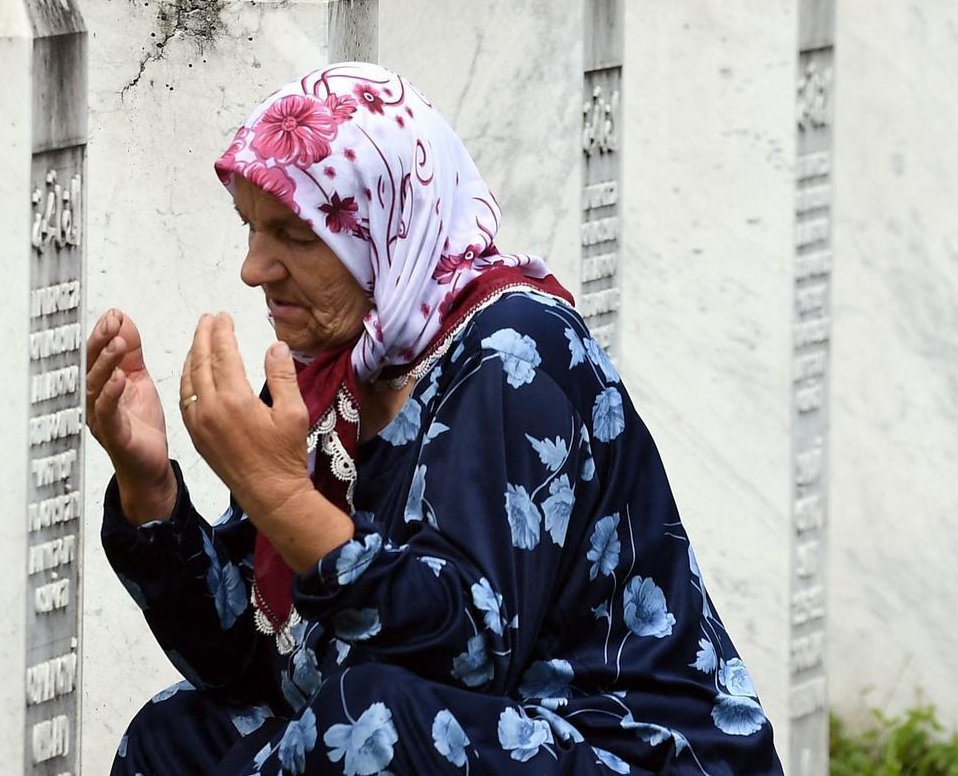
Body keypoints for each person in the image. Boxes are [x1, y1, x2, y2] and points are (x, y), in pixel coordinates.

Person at [87, 64, 782, 773]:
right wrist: (150, 492)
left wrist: (280, 496)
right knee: (177, 734)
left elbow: (467, 659)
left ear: (389, 223)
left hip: (620, 746)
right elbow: (246, 664)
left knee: (372, 723)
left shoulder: (516, 347)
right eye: (249, 229)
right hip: (430, 729)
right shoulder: (329, 372)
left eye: (294, 236)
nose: (253, 268)